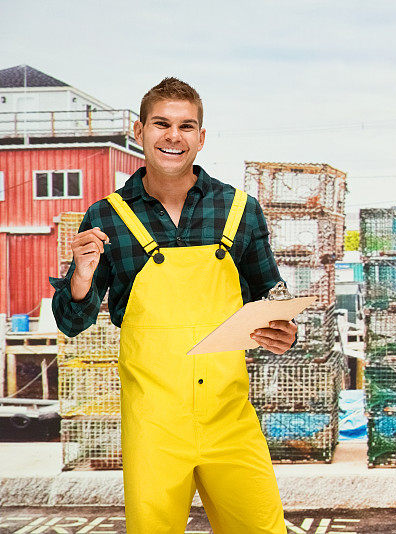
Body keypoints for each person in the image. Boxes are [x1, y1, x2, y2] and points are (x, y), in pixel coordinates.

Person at [50, 77, 295, 534]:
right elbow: (70, 321)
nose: (173, 136)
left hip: (231, 420)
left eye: (186, 126)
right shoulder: (106, 217)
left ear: (201, 137)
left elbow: (271, 295)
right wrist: (81, 277)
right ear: (139, 131)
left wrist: (285, 329)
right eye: (161, 123)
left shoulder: (240, 208)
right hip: (154, 428)